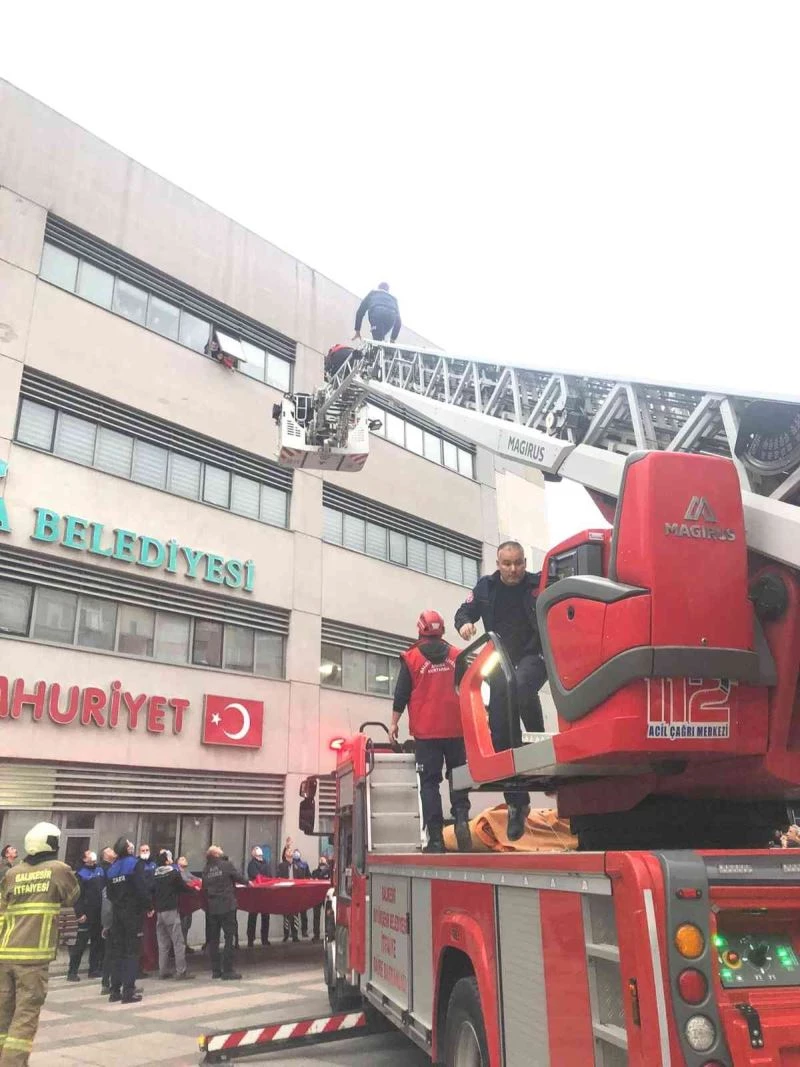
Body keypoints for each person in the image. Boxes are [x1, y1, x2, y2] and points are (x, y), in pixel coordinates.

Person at [455, 539, 547, 841]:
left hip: (534, 654)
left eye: (518, 562)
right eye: (507, 564)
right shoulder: (486, 587)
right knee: (500, 733)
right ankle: (516, 805)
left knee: (523, 688)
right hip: (499, 660)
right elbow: (464, 611)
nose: (513, 569)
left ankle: (539, 745)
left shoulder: (538, 584)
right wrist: (465, 625)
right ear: (498, 564)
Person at [391, 609, 472, 853]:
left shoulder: (412, 658)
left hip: (426, 733)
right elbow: (469, 688)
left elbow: (401, 694)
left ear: (420, 629)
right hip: (456, 728)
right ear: (442, 630)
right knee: (457, 776)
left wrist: (394, 722)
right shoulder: (458, 656)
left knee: (430, 783)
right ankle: (460, 817)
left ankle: (436, 838)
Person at [0, 821, 79, 1063]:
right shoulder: (58, 869)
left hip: (5, 954)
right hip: (32, 958)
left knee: (3, 1018)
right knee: (24, 1020)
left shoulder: (12, 873)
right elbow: (72, 897)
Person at [106, 836, 153, 1003]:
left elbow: (109, 894)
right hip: (132, 913)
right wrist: (148, 906)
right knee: (132, 952)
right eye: (129, 844)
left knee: (117, 952)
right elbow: (142, 888)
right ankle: (128, 991)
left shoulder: (112, 869)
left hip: (117, 913)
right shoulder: (135, 864)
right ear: (128, 849)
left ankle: (114, 990)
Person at [202, 846, 246, 980]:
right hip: (227, 905)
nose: (222, 849)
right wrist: (248, 883)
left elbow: (204, 887)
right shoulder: (226, 865)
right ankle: (228, 970)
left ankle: (216, 971)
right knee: (229, 937)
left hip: (212, 908)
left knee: (214, 940)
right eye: (219, 848)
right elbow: (240, 878)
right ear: (216, 854)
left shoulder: (206, 869)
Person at [153, 850, 195, 981]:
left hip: (159, 911)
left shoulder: (155, 874)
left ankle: (163, 971)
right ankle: (181, 971)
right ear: (166, 861)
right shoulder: (173, 873)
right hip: (171, 910)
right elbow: (183, 887)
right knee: (178, 942)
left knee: (163, 943)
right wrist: (194, 890)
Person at [67, 850, 106, 981]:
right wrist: (79, 913)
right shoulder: (80, 874)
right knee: (81, 943)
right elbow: (77, 896)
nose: (93, 855)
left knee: (97, 942)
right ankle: (72, 971)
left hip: (99, 913)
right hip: (86, 914)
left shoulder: (100, 870)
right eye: (89, 854)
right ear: (84, 859)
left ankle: (94, 969)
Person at [276, 846, 306, 942]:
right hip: (285, 892)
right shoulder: (282, 865)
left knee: (295, 914)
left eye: (291, 851)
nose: (291, 852)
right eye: (288, 851)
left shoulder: (297, 866)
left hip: (295, 893)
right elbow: (278, 877)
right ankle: (286, 934)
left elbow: (302, 878)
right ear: (285, 854)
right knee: (286, 915)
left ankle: (295, 934)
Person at [245, 847, 271, 948]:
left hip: (265, 894)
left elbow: (269, 876)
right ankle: (250, 939)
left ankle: (265, 938)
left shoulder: (266, 864)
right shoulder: (252, 865)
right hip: (255, 894)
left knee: (265, 917)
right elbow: (255, 875)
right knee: (252, 917)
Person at [310, 856, 331, 943]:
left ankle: (328, 934)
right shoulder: (315, 872)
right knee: (316, 916)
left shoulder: (329, 872)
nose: (321, 860)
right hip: (317, 896)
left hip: (326, 896)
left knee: (328, 916)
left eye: (323, 859)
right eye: (320, 859)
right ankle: (316, 935)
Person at [176, 856, 195, 953]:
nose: (185, 860)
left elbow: (195, 879)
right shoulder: (178, 873)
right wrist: (192, 883)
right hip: (181, 902)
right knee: (182, 925)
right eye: (182, 859)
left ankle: (185, 944)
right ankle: (180, 946)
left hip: (189, 902)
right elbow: (185, 882)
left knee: (187, 925)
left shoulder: (187, 872)